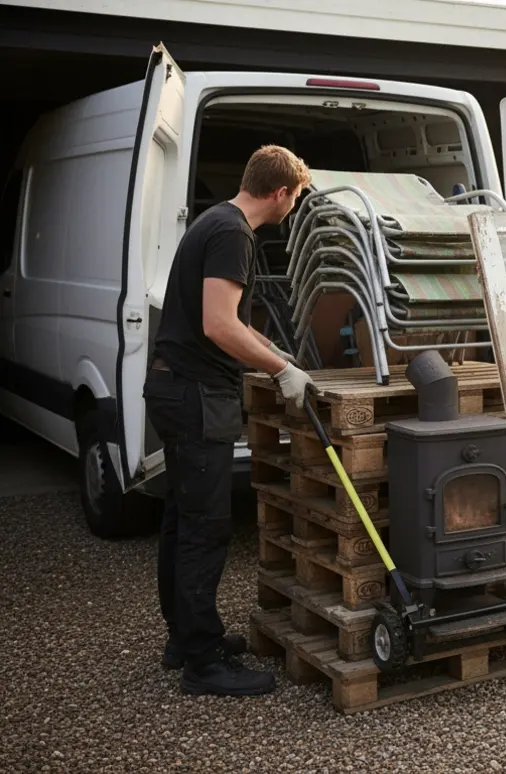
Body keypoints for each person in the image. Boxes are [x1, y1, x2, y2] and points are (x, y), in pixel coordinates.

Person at [144, 145, 315, 696]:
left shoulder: (214, 221)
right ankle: (203, 663)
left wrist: (274, 352)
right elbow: (219, 325)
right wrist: (279, 373)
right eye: (297, 198)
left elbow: (223, 322)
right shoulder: (235, 234)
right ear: (281, 193)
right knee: (205, 528)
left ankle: (186, 638)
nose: (294, 207)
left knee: (181, 519)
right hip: (196, 397)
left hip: (175, 387)